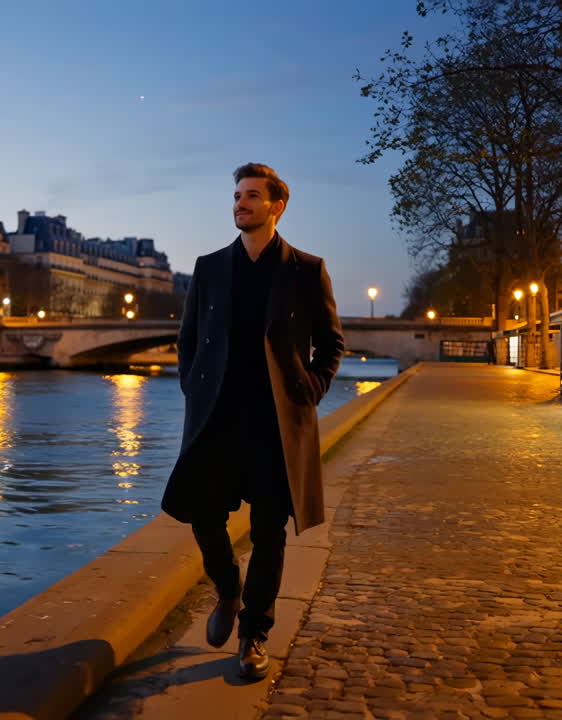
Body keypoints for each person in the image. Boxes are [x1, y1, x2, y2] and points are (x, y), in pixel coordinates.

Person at [162, 163, 345, 681]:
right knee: (202, 514)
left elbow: (331, 343)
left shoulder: (306, 269)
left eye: (251, 196)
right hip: (216, 420)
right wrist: (192, 387)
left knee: (270, 534)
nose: (240, 203)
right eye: (237, 196)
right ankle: (227, 588)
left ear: (277, 206)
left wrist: (311, 386)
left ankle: (253, 636)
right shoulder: (210, 266)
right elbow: (188, 339)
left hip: (275, 425)